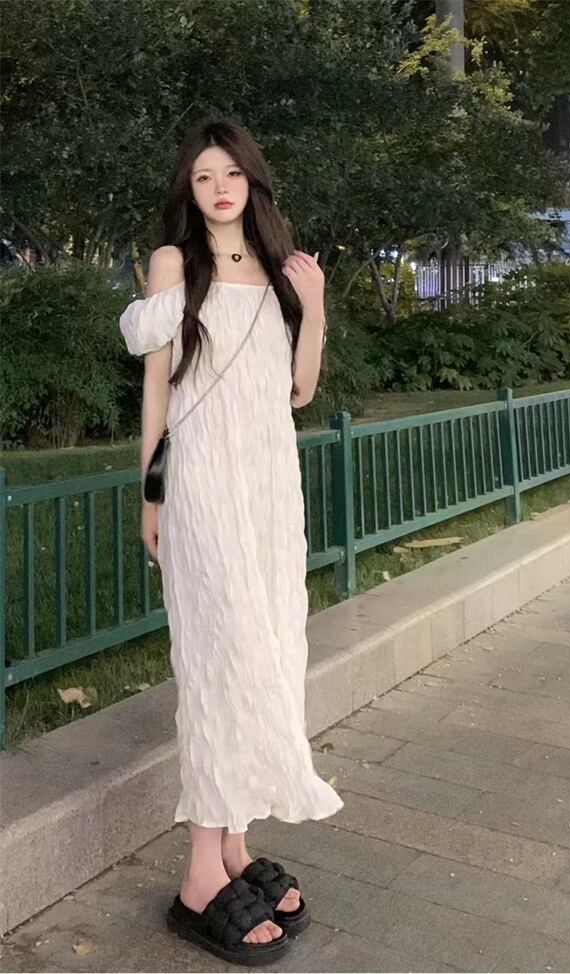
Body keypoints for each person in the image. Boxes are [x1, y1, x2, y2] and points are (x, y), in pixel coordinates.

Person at [119, 118, 342, 965]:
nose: (219, 188)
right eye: (204, 176)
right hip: (205, 488)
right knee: (223, 660)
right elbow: (157, 387)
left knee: (271, 653)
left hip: (270, 489)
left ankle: (235, 848)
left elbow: (298, 389)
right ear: (191, 187)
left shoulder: (280, 270)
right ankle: (198, 877)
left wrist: (314, 308)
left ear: (252, 180)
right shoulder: (175, 265)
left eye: (232, 174)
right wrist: (151, 492)